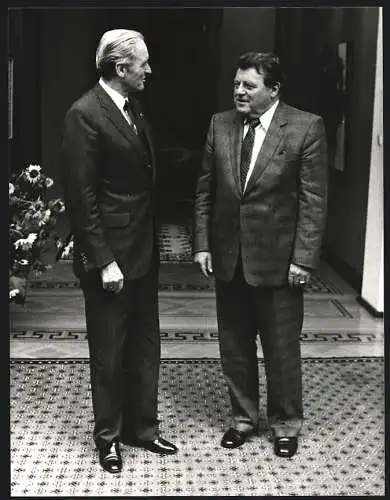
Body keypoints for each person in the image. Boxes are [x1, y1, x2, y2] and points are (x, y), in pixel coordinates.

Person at [193, 52, 327, 458]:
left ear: (274, 90)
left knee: (281, 348)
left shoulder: (306, 127)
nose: (239, 91)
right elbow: (204, 190)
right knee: (234, 345)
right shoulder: (220, 125)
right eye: (236, 83)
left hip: (280, 263)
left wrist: (303, 259)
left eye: (249, 85)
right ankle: (243, 419)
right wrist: (202, 244)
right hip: (229, 259)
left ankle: (285, 424)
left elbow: (314, 201)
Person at [60, 29, 178, 474]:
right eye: (143, 63)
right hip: (110, 258)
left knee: (146, 345)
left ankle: (142, 429)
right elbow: (82, 196)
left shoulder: (133, 107)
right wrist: (104, 260)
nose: (149, 70)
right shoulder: (83, 115)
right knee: (110, 352)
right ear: (119, 67)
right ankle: (108, 437)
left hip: (143, 251)